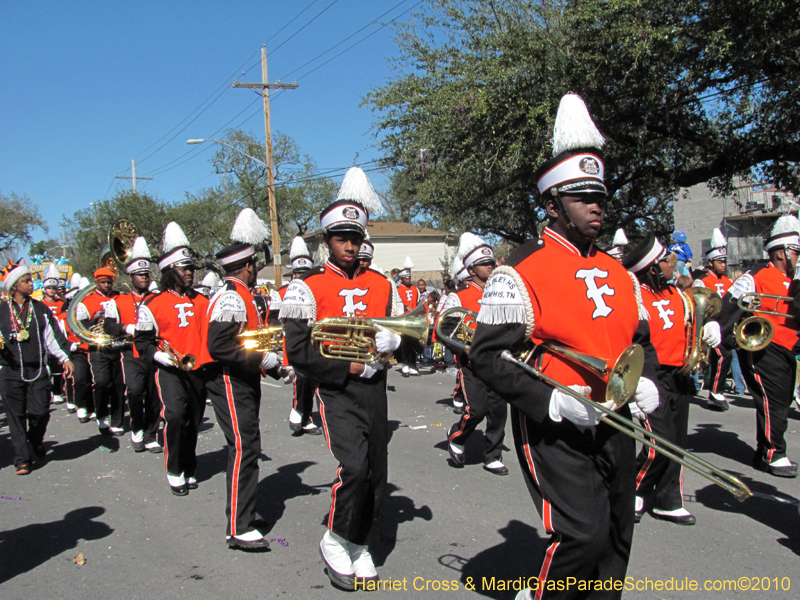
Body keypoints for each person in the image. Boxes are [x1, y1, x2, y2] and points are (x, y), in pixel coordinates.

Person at [469, 94, 660, 600]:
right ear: (553, 205)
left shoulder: (621, 272)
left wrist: (650, 384)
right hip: (555, 425)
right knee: (582, 536)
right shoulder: (520, 270)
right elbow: (487, 356)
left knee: (618, 536)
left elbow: (640, 342)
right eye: (582, 197)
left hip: (614, 419)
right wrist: (550, 400)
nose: (597, 205)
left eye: (600, 195)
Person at [280, 167, 397, 590]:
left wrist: (396, 339)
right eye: (341, 238)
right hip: (336, 391)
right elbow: (297, 350)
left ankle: (361, 543)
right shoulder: (306, 285)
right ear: (326, 241)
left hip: (375, 389)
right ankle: (334, 536)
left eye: (356, 238)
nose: (350, 246)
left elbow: (409, 339)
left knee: (377, 471)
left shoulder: (383, 284)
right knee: (354, 466)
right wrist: (347, 366)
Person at [624, 234, 721, 526]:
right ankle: (633, 489)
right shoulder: (635, 296)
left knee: (677, 442)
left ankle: (668, 499)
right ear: (652, 267)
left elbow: (688, 323)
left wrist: (708, 328)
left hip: (680, 373)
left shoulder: (677, 294)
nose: (673, 263)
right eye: (666, 259)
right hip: (652, 377)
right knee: (659, 441)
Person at [205, 208, 281, 550]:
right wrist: (264, 357)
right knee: (244, 448)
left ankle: (245, 512)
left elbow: (245, 340)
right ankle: (237, 526)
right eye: (255, 266)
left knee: (249, 446)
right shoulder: (233, 296)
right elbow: (220, 346)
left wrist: (276, 363)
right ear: (247, 265)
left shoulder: (240, 295)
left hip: (242, 379)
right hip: (229, 380)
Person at [718, 215, 800, 478]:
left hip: (788, 348)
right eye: (797, 253)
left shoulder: (795, 281)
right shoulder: (756, 276)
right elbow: (729, 305)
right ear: (782, 252)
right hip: (764, 347)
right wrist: (726, 337)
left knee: (782, 401)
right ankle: (773, 452)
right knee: (771, 400)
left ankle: (763, 450)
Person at [134, 222, 211, 495]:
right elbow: (141, 341)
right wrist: (158, 356)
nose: (189, 272)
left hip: (197, 370)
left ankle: (189, 467)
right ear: (170, 271)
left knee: (193, 420)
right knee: (176, 416)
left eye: (191, 268)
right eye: (183, 268)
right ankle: (174, 469)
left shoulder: (202, 300)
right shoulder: (152, 304)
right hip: (169, 370)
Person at [441, 232, 508, 475]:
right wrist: (467, 349)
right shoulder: (458, 296)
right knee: (477, 409)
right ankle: (457, 437)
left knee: (499, 412)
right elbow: (443, 329)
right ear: (472, 270)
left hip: (500, 361)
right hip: (472, 362)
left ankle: (493, 455)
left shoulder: (503, 292)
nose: (492, 267)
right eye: (486, 264)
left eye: (492, 263)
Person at [0, 264, 73, 474]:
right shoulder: (2, 311)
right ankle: (22, 459)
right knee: (15, 417)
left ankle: (35, 440)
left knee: (40, 411)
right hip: (10, 372)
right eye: (26, 281)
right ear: (14, 286)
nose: (32, 284)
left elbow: (53, 338)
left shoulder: (39, 309)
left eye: (31, 280)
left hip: (38, 370)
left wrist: (65, 358)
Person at [102, 237, 161, 453]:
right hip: (131, 353)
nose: (144, 278)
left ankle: (152, 433)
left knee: (155, 395)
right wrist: (127, 327)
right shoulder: (117, 301)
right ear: (131, 276)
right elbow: (108, 326)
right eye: (140, 275)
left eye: (146, 274)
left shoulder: (158, 298)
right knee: (136, 392)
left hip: (155, 353)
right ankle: (137, 428)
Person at [75, 267, 125, 436]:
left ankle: (117, 421)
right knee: (103, 382)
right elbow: (80, 328)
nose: (106, 285)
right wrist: (94, 319)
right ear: (96, 283)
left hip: (117, 344)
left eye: (109, 282)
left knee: (119, 384)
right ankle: (102, 415)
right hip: (97, 348)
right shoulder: (86, 301)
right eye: (103, 282)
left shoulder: (120, 297)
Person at [282, 235, 322, 436]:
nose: (301, 277)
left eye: (305, 273)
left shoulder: (317, 289)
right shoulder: (282, 292)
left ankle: (307, 416)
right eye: (298, 273)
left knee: (315, 382)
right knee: (302, 381)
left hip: (316, 345)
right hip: (294, 345)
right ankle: (299, 412)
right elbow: (272, 319)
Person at [693, 228, 734, 410]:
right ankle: (716, 392)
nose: (723, 265)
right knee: (723, 355)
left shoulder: (729, 281)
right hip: (709, 326)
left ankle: (716, 391)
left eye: (724, 261)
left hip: (727, 326)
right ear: (711, 262)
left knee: (726, 356)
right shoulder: (702, 281)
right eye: (719, 261)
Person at [41, 264, 66, 406]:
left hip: (57, 335)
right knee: (46, 365)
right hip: (44, 337)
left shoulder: (62, 303)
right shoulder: (40, 304)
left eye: (54, 288)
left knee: (57, 365)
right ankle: (47, 390)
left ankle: (57, 391)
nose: (51, 290)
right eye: (49, 288)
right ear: (44, 289)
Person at [396, 257, 420, 376]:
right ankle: (405, 363)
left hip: (413, 319)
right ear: (401, 278)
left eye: (410, 277)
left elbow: (417, 303)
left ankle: (413, 364)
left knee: (414, 342)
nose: (409, 279)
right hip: (403, 319)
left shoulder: (415, 289)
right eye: (406, 278)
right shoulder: (397, 289)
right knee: (405, 342)